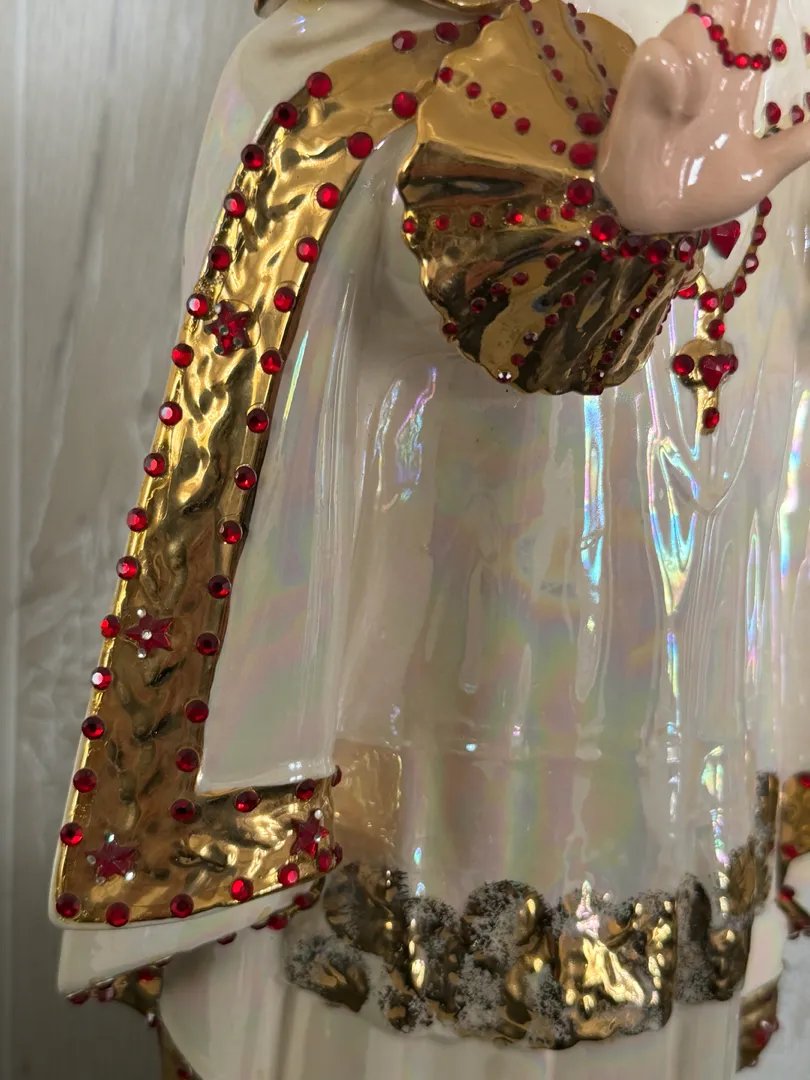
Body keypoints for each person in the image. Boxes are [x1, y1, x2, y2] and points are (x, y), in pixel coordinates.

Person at [51, 0, 810, 1076]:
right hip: (407, 759)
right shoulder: (384, 35)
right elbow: (384, 263)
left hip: (677, 748)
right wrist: (594, 225)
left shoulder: (774, 39)